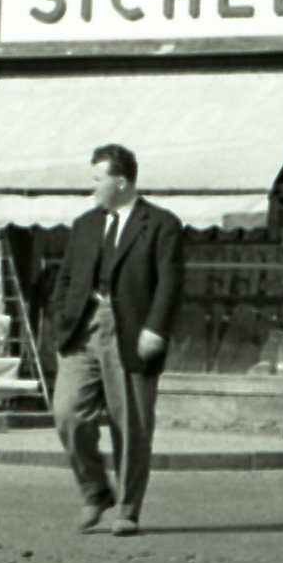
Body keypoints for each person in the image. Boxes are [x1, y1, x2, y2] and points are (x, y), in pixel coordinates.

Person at [45, 143, 185, 537]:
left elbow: (171, 283)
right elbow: (67, 278)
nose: (92, 187)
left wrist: (155, 329)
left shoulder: (161, 224)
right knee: (67, 413)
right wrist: (61, 321)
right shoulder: (85, 225)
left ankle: (127, 508)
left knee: (131, 424)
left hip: (132, 329)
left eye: (97, 178)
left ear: (120, 181)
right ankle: (95, 491)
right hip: (83, 328)